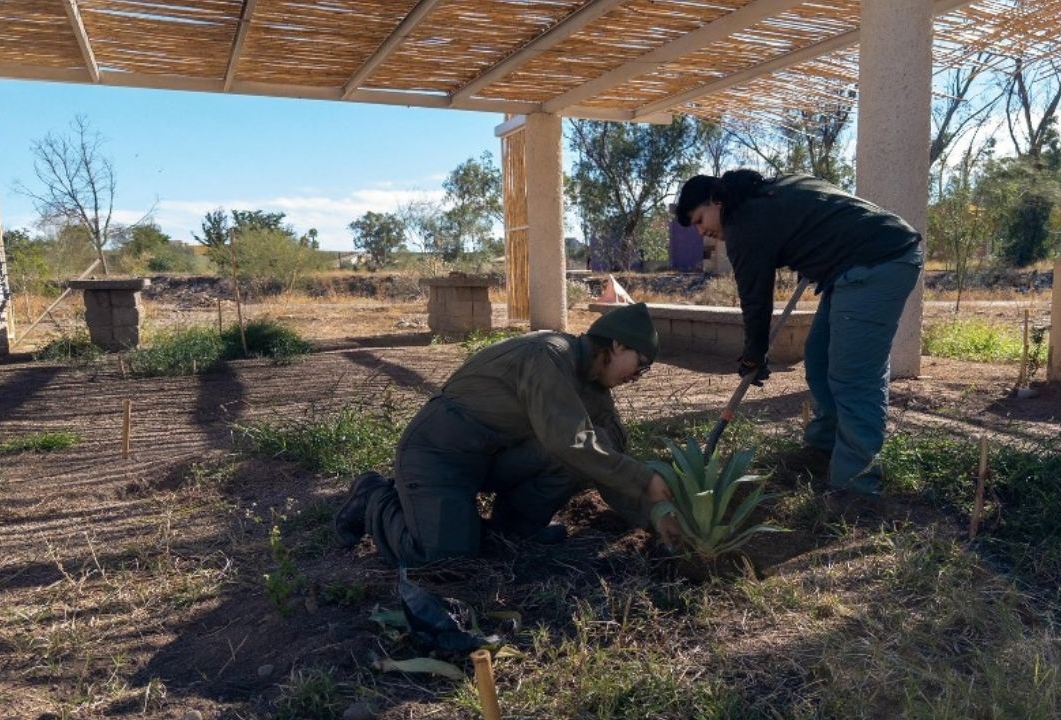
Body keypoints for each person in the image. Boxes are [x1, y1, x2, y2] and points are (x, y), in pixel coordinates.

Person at [334, 302, 682, 567]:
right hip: (440, 455)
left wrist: (654, 515)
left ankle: (512, 528)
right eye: (642, 364)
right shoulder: (547, 355)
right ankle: (374, 497)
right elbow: (571, 440)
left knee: (592, 449)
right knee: (443, 558)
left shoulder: (595, 389)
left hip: (492, 458)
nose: (639, 376)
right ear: (618, 346)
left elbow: (608, 458)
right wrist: (644, 479)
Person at [674, 170, 923, 496]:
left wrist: (753, 354)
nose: (702, 231)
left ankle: (856, 487)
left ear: (717, 200)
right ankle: (823, 449)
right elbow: (817, 214)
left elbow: (755, 300)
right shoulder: (770, 195)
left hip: (879, 260)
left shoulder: (743, 221)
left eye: (700, 218)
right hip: (848, 265)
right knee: (818, 361)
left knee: (853, 377)